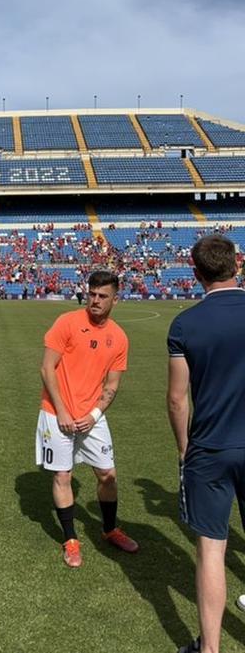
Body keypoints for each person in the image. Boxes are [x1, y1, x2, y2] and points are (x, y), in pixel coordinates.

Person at [167, 235, 245, 653]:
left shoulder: (186, 324)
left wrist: (184, 447)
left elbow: (178, 399)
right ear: (237, 264)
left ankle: (211, 649)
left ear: (196, 274)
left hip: (209, 448)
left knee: (212, 549)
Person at [36, 271, 135, 569]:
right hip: (56, 413)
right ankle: (70, 539)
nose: (95, 300)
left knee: (107, 475)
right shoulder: (67, 322)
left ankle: (109, 529)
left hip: (92, 416)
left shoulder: (118, 337)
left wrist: (93, 416)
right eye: (92, 293)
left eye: (102, 296)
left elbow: (112, 385)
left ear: (115, 300)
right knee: (62, 476)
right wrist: (63, 410)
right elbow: (46, 369)